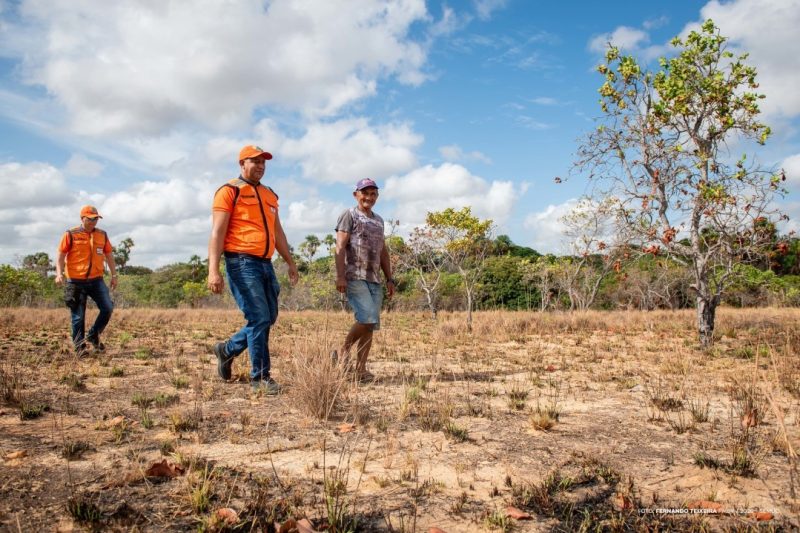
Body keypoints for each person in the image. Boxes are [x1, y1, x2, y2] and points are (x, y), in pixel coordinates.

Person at [207, 144, 299, 394]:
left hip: (265, 263)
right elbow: (217, 232)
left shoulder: (270, 194)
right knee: (258, 318)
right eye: (254, 161)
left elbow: (277, 231)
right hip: (240, 262)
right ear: (242, 164)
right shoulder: (229, 191)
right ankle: (260, 378)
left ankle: (227, 350)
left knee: (268, 318)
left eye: (263, 162)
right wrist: (213, 270)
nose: (260, 166)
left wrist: (290, 262)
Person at [334, 178, 395, 382]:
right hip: (354, 275)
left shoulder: (378, 220)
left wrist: (390, 278)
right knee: (367, 317)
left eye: (373, 194)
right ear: (356, 195)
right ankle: (343, 350)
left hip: (374, 278)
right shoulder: (349, 215)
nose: (369, 197)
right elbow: (340, 247)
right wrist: (340, 275)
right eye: (365, 193)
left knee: (370, 325)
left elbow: (383, 251)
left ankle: (360, 369)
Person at [55, 205, 118, 357]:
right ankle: (79, 348)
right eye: (90, 219)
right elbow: (61, 255)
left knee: (108, 307)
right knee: (78, 316)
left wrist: (114, 275)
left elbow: (109, 255)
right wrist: (59, 274)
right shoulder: (71, 234)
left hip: (96, 280)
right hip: (75, 281)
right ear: (82, 218)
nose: (93, 221)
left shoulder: (102, 235)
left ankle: (93, 335)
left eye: (96, 218)